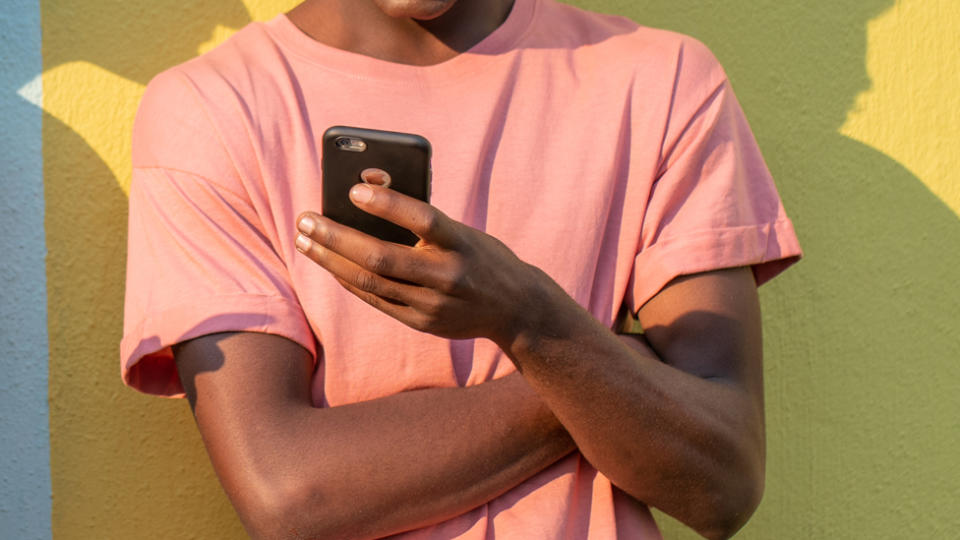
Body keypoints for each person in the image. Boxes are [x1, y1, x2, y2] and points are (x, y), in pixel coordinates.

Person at [120, 0, 802, 538]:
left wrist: (530, 319)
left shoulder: (662, 83)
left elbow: (721, 481)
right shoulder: (211, 112)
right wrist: (594, 366)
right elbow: (289, 492)